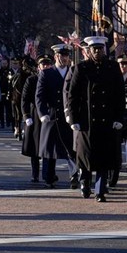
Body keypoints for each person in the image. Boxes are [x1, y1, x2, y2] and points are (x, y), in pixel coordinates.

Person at [67, 35, 125, 202]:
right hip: (86, 121)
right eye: (95, 49)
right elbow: (73, 96)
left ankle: (100, 191)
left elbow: (120, 95)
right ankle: (85, 182)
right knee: (85, 156)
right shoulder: (81, 68)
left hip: (107, 120)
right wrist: (73, 119)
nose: (98, 52)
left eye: (100, 49)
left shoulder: (112, 67)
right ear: (89, 51)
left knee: (104, 158)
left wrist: (119, 118)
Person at [36, 44, 76, 188]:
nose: (64, 58)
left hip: (68, 115)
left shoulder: (73, 72)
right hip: (52, 115)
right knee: (50, 150)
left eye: (66, 56)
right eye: (61, 56)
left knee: (71, 149)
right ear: (55, 57)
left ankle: (74, 175)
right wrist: (43, 114)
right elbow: (39, 96)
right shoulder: (46, 73)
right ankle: (49, 176)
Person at [22, 55, 51, 182]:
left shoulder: (54, 78)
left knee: (48, 146)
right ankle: (35, 174)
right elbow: (24, 99)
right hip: (35, 115)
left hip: (49, 115)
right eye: (43, 64)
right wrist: (26, 115)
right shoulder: (32, 80)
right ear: (38, 67)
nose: (45, 66)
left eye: (47, 64)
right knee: (34, 147)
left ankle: (46, 174)